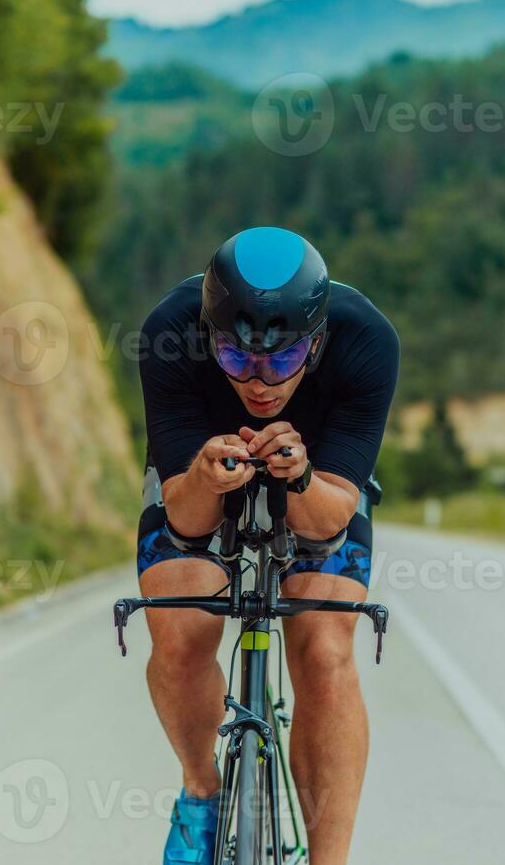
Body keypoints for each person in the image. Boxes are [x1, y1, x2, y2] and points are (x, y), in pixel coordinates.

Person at [137, 226, 399, 865]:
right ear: (209, 337)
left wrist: (301, 476)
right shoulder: (169, 331)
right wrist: (203, 476)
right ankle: (202, 790)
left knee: (325, 647)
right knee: (178, 632)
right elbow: (185, 521)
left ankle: (328, 859)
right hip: (200, 472)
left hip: (318, 479)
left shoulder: (366, 341)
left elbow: (329, 521)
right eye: (236, 360)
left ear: (316, 344)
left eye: (281, 361)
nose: (259, 385)